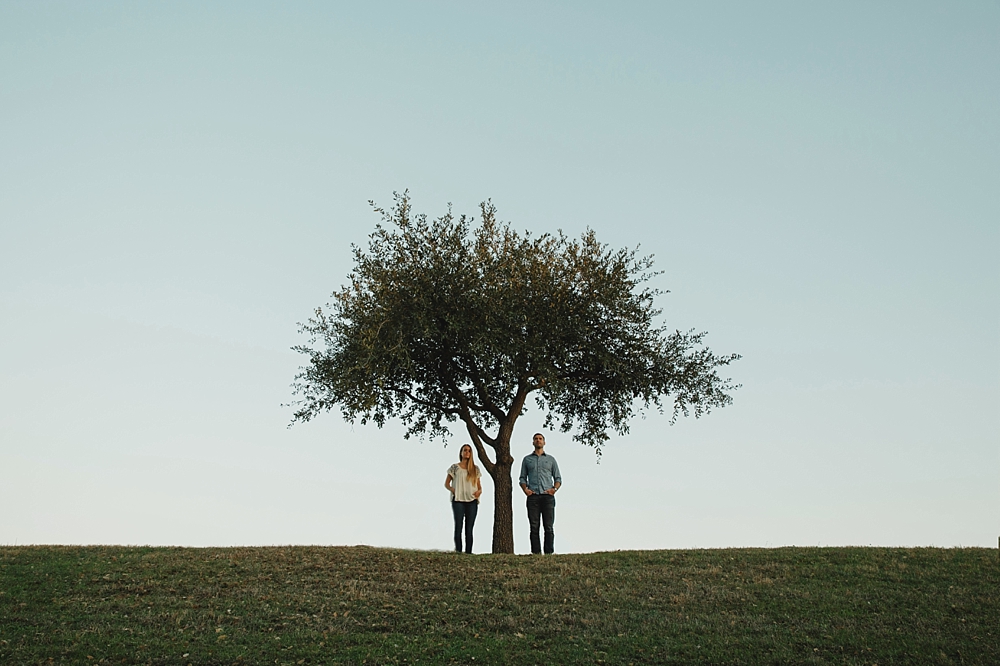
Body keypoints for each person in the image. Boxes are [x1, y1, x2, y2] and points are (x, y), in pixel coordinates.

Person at [518, 433, 562, 554]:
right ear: (533, 442)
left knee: (548, 527)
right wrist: (525, 490)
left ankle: (549, 553)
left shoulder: (551, 459)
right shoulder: (527, 459)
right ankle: (536, 553)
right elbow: (522, 478)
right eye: (536, 439)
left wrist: (554, 489)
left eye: (540, 439)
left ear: (544, 442)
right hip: (533, 497)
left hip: (548, 497)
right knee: (534, 526)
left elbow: (558, 478)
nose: (538, 440)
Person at [445, 444, 482, 553]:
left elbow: (479, 486)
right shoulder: (454, 467)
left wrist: (479, 491)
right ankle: (458, 551)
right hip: (458, 501)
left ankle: (469, 552)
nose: (467, 452)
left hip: (472, 500)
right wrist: (453, 490)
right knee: (458, 526)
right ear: (461, 452)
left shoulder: (475, 469)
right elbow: (447, 483)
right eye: (465, 450)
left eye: (469, 451)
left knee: (469, 529)